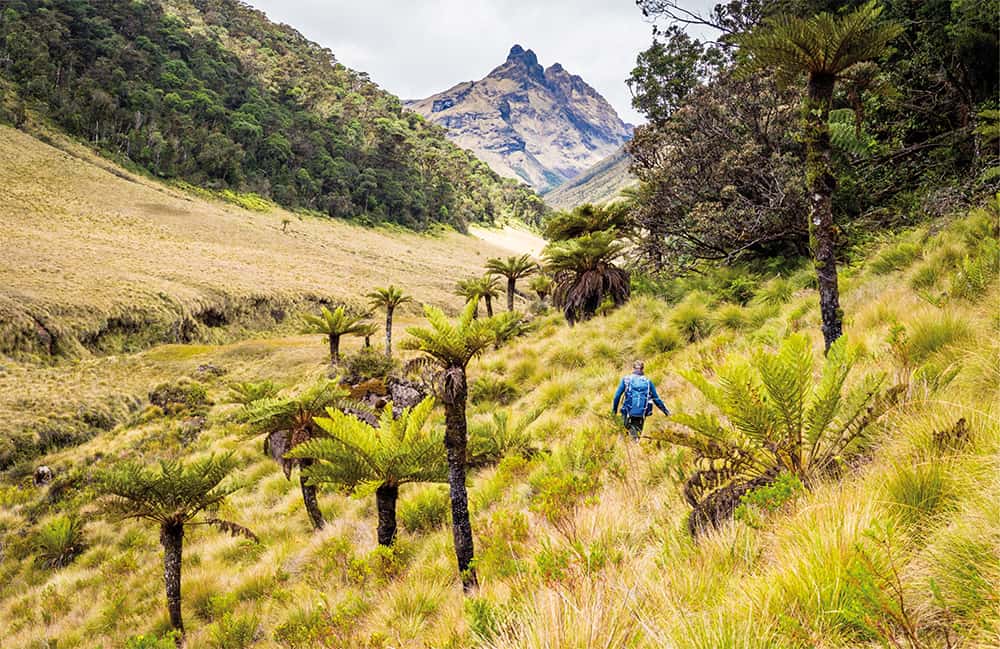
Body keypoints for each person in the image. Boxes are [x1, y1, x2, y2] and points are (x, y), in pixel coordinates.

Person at [612, 360, 669, 440]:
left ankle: (621, 450)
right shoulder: (648, 382)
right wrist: (666, 412)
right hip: (640, 414)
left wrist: (614, 412)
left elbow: (617, 396)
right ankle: (635, 449)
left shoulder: (626, 380)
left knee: (622, 436)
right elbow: (656, 399)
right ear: (643, 369)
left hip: (626, 411)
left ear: (633, 368)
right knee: (635, 438)